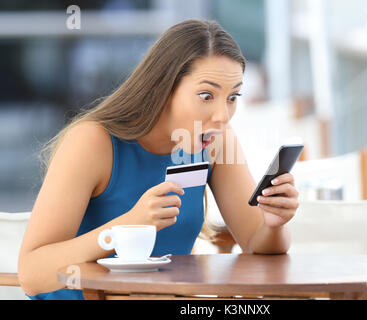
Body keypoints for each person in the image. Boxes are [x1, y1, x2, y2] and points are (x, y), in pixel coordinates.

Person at [18, 19, 299, 300]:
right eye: (206, 95)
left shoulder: (217, 142)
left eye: (233, 97)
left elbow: (256, 246)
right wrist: (126, 227)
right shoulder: (92, 142)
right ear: (162, 88)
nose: (222, 116)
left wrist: (273, 224)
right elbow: (31, 274)